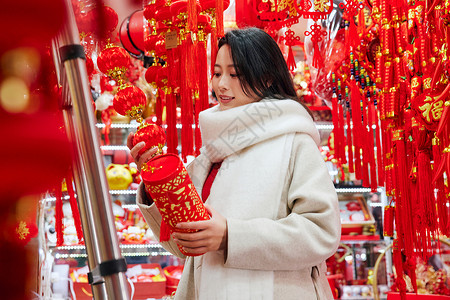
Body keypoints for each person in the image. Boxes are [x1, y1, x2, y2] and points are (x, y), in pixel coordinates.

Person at [127, 27, 341, 300]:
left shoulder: (295, 140)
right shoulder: (213, 151)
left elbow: (321, 232)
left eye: (234, 74)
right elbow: (181, 244)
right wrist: (155, 180)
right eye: (217, 73)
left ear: (266, 78)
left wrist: (230, 236)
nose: (221, 85)